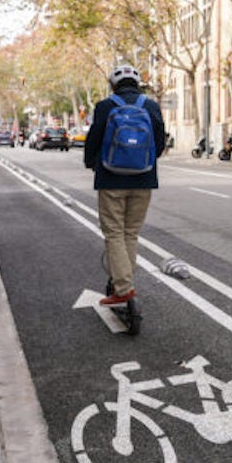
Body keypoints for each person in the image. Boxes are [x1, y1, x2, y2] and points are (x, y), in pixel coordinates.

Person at [83, 64, 166, 306]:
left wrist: (91, 163)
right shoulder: (150, 106)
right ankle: (125, 283)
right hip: (144, 178)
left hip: (111, 179)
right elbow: (160, 142)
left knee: (114, 232)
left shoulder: (105, 106)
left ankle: (123, 289)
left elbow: (94, 140)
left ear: (112, 84)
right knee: (131, 232)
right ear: (138, 83)